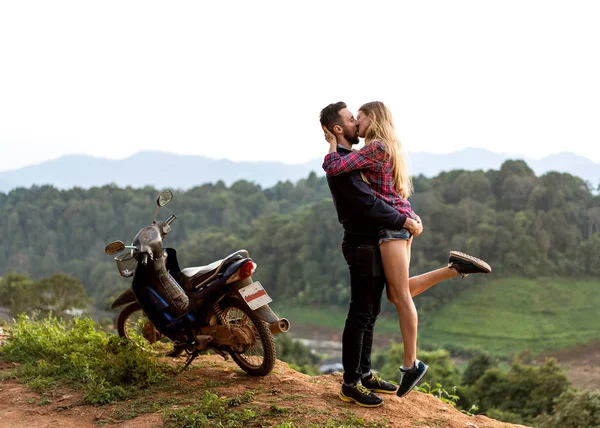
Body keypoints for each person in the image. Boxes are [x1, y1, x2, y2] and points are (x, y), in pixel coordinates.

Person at [319, 101, 491, 407]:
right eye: (351, 119)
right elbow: (367, 202)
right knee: (368, 308)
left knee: (379, 306)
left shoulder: (362, 153)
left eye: (357, 118)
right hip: (364, 242)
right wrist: (404, 219)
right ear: (338, 128)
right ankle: (354, 381)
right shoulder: (346, 160)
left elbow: (378, 197)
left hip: (382, 235)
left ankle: (367, 372)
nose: (355, 123)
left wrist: (403, 219)